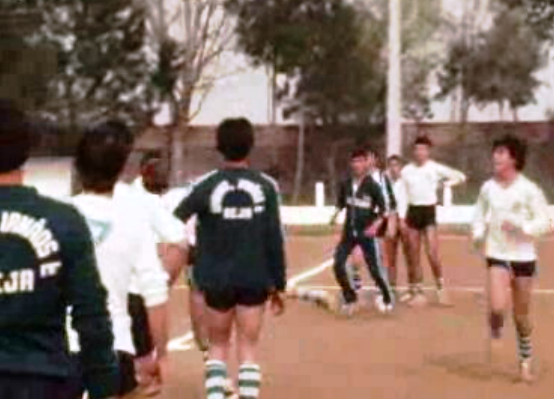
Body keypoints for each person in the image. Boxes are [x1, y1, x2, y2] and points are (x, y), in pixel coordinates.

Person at [0, 99, 119, 399]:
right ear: (27, 149)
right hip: (45, 379)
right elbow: (91, 313)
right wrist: (104, 385)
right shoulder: (63, 221)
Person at [173, 118, 287, 399]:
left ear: (218, 148)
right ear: (251, 146)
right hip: (254, 276)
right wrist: (279, 283)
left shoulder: (206, 186)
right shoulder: (267, 187)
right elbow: (274, 238)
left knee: (218, 346)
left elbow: (175, 219)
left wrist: (195, 254)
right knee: (248, 347)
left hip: (216, 278)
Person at [69, 121, 170, 398]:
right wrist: (159, 355)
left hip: (59, 351)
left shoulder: (58, 216)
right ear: (121, 170)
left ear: (77, 167)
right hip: (115, 348)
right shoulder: (133, 217)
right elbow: (155, 293)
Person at [472, 135, 551, 383]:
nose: (496, 156)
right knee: (497, 306)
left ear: (514, 158)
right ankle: (495, 329)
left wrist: (523, 228)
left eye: (502, 152)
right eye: (495, 151)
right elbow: (478, 213)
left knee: (521, 316)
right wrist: (477, 234)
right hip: (497, 254)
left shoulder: (529, 189)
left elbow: (547, 221)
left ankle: (525, 362)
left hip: (524, 257)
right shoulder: (488, 188)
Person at [114, 152, 188, 394]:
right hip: (131, 289)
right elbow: (179, 242)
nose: (161, 174)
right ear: (143, 171)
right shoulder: (138, 199)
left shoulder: (150, 199)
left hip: (134, 289)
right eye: (156, 170)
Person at [398, 136, 466, 307]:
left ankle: (441, 288)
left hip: (428, 212)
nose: (419, 153)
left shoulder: (435, 168)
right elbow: (402, 195)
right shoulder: (406, 171)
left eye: (423, 149)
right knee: (413, 255)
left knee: (432, 253)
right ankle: (416, 290)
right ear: (413, 151)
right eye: (417, 149)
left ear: (428, 151)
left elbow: (461, 177)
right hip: (412, 212)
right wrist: (401, 217)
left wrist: (446, 184)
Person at [330, 147, 392, 316]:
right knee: (338, 265)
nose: (357, 164)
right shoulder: (346, 184)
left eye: (360, 161)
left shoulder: (372, 186)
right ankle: (350, 298)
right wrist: (335, 214)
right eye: (354, 161)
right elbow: (341, 202)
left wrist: (376, 225)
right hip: (349, 233)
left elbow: (385, 210)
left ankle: (386, 297)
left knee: (374, 269)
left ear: (366, 163)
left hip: (366, 234)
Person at [384, 155, 411, 294]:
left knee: (409, 255)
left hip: (405, 222)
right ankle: (391, 287)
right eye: (391, 166)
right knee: (390, 256)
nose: (394, 169)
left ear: (400, 167)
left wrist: (404, 220)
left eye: (396, 166)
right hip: (391, 221)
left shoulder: (407, 183)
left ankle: (413, 288)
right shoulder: (384, 184)